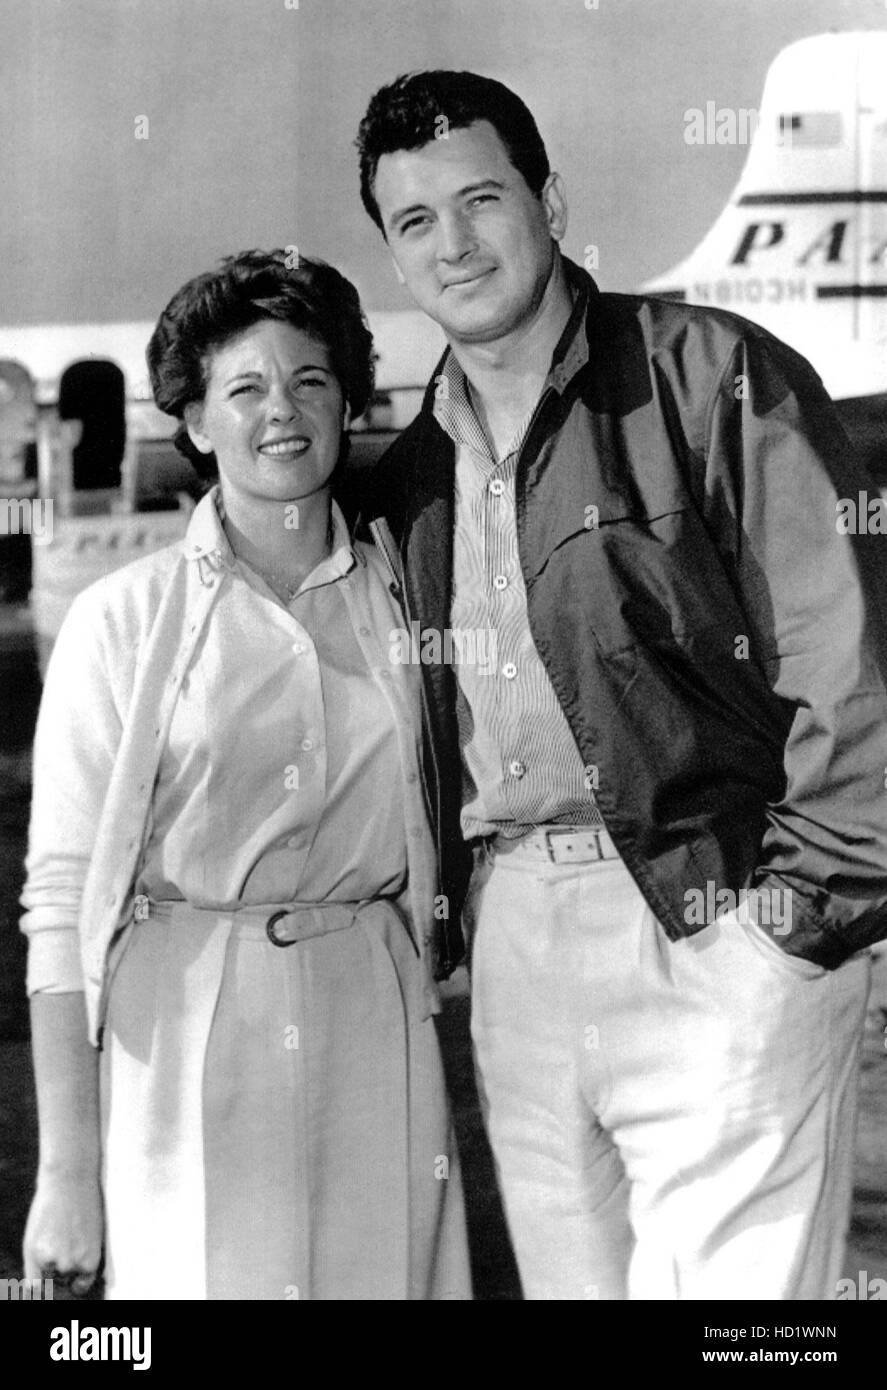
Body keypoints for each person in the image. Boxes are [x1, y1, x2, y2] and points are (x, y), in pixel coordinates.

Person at [352, 70, 887, 1300]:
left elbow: (845, 671)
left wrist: (789, 931)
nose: (454, 243)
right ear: (389, 250)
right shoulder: (414, 472)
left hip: (713, 913)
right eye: (414, 222)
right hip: (518, 947)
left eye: (480, 199)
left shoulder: (708, 377)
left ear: (548, 199)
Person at [20, 248, 471, 1301]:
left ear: (349, 402)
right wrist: (66, 1170)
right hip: (179, 1036)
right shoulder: (119, 621)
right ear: (192, 419)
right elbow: (58, 905)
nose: (283, 410)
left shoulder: (408, 606)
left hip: (375, 1020)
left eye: (311, 380)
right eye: (245, 387)